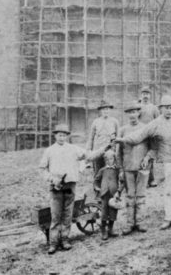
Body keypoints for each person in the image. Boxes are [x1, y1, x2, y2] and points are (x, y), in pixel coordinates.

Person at [116, 94, 171, 230]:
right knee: (170, 189)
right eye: (166, 108)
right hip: (169, 159)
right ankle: (169, 218)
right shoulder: (156, 123)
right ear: (161, 109)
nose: (169, 110)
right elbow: (139, 136)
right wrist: (123, 140)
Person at [38, 123, 88, 254]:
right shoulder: (49, 151)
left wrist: (81, 168)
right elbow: (42, 169)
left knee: (67, 214)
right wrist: (52, 179)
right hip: (56, 186)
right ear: (55, 136)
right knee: (55, 215)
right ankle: (53, 243)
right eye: (59, 135)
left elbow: (87, 156)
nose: (62, 138)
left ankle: (65, 240)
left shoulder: (73, 149)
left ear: (67, 136)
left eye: (64, 135)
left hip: (70, 185)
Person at [117, 103, 152, 235]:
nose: (132, 115)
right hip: (128, 168)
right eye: (129, 112)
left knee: (141, 196)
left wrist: (147, 158)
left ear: (138, 113)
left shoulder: (146, 128)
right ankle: (130, 223)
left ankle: (140, 222)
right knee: (130, 196)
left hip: (142, 168)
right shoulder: (122, 130)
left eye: (134, 112)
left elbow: (153, 148)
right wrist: (121, 169)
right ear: (127, 114)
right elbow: (118, 152)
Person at [90, 146, 120, 240]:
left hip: (114, 194)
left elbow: (121, 181)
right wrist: (97, 188)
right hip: (104, 194)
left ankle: (110, 229)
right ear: (104, 160)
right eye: (107, 159)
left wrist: (119, 191)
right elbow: (96, 180)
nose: (109, 161)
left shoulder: (116, 170)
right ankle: (103, 231)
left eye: (111, 159)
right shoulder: (102, 170)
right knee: (104, 212)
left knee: (113, 211)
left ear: (114, 159)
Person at [86, 100, 119, 173]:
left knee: (109, 170)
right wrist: (89, 150)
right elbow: (91, 138)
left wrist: (117, 151)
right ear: (100, 110)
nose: (105, 111)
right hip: (98, 149)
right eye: (103, 109)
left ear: (110, 110)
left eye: (107, 109)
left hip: (110, 150)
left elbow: (118, 137)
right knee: (97, 170)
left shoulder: (114, 121)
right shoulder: (96, 122)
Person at [138, 86, 161, 188]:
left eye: (147, 94)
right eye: (144, 94)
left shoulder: (154, 108)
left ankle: (151, 179)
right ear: (141, 95)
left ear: (150, 96)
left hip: (151, 135)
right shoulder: (138, 107)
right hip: (141, 135)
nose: (145, 96)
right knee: (141, 155)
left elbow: (158, 121)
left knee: (150, 157)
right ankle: (142, 179)